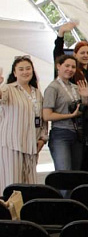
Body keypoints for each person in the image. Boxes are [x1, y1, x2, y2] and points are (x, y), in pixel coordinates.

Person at [0, 56, 47, 189]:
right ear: (15, 73)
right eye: (21, 69)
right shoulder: (8, 89)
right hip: (12, 144)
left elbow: (43, 118)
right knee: (12, 184)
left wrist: (43, 139)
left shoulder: (37, 93)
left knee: (30, 185)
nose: (25, 72)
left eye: (28, 68)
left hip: (32, 145)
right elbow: (1, 97)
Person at [43, 55, 88, 171]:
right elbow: (47, 115)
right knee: (64, 172)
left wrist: (85, 98)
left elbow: (84, 111)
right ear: (58, 66)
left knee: (75, 172)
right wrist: (70, 115)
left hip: (77, 133)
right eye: (67, 66)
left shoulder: (75, 87)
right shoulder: (53, 88)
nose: (70, 69)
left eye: (73, 67)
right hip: (60, 133)